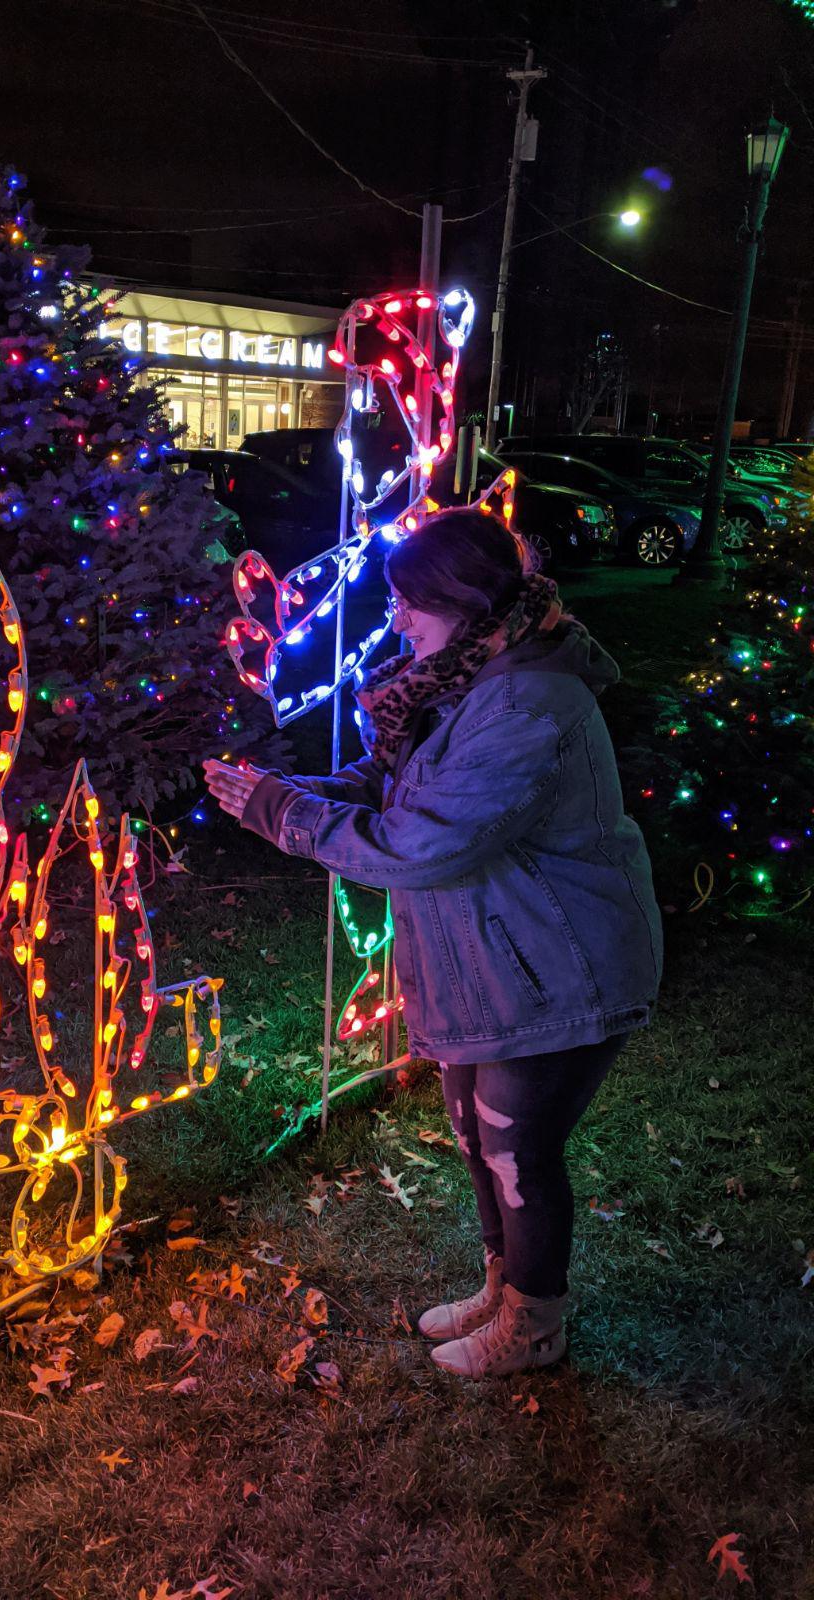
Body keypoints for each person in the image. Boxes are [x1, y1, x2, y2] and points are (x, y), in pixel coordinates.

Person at [204, 508, 662, 1379]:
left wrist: (289, 816)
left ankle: (535, 1326)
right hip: (491, 964)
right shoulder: (462, 681)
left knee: (516, 1146)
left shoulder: (530, 702)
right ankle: (505, 1289)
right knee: (474, 1131)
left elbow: (426, 841)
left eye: (411, 603)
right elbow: (401, 789)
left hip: (556, 967)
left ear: (466, 601)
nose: (398, 620)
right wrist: (287, 790)